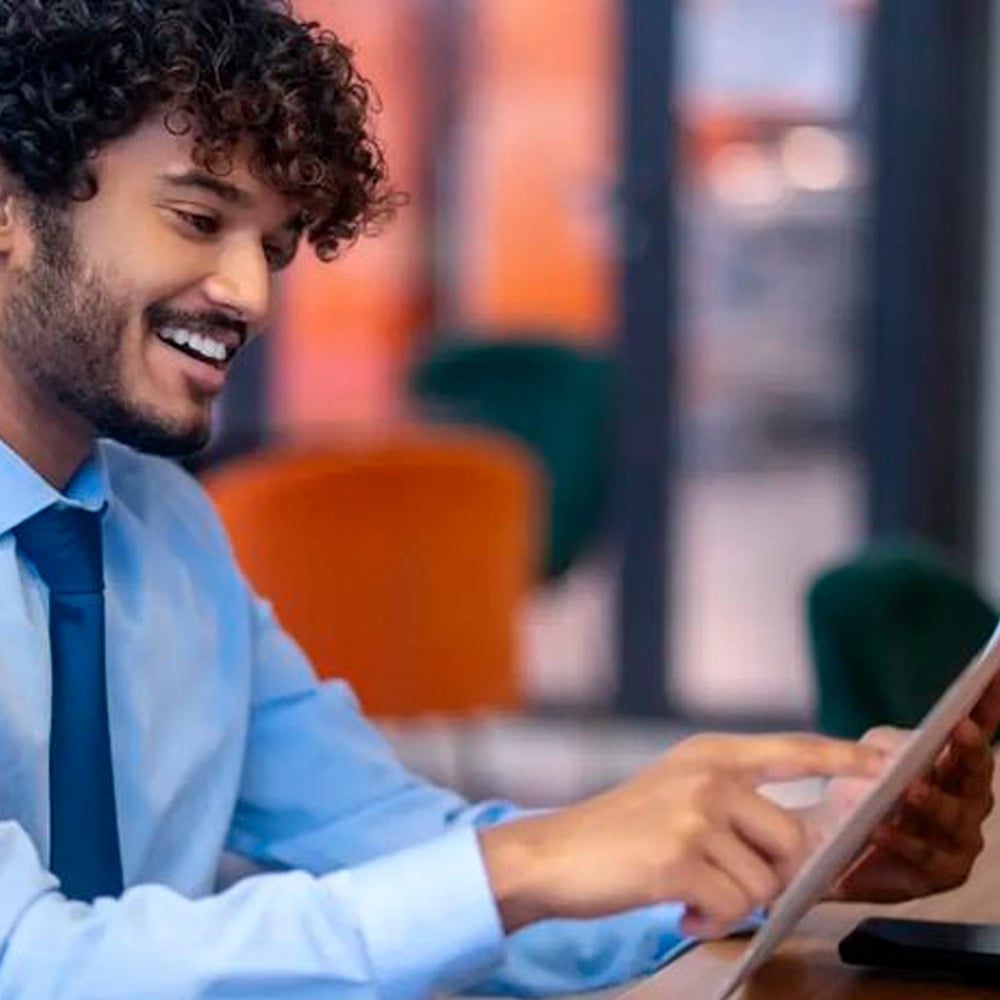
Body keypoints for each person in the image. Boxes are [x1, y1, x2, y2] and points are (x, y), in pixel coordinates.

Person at [0, 2, 995, 997]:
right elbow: (34, 964)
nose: (251, 295)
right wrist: (529, 863)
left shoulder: (164, 532)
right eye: (199, 219)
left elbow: (395, 846)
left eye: (273, 247)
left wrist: (791, 856)